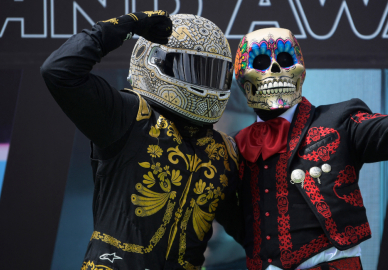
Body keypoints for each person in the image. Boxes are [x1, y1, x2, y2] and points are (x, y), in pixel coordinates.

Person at [41, 11, 241, 270]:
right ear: (153, 61)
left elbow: (251, 231)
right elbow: (59, 70)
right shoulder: (129, 116)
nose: (204, 82)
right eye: (191, 67)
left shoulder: (225, 151)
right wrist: (126, 26)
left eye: (214, 73)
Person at [233, 28, 388, 270]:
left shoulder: (339, 121)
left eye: (287, 60)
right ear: (243, 81)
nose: (276, 68)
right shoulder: (236, 147)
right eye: (261, 62)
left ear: (302, 71)